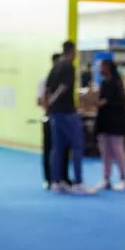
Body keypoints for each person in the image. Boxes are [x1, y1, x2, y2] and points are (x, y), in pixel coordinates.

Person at [45, 41, 89, 194]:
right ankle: (78, 182)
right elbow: (63, 87)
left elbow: (48, 87)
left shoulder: (55, 66)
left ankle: (56, 181)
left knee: (57, 148)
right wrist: (53, 100)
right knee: (77, 146)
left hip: (55, 113)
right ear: (72, 51)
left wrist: (49, 104)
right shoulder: (69, 66)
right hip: (67, 112)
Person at [38, 53, 73, 190]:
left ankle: (63, 177)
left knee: (64, 149)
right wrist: (49, 104)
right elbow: (40, 100)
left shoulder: (65, 82)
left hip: (63, 117)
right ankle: (48, 179)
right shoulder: (45, 81)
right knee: (49, 149)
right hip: (50, 117)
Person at [95, 59, 125, 191]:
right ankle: (106, 178)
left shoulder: (118, 84)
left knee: (118, 150)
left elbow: (121, 102)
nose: (100, 70)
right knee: (105, 151)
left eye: (102, 67)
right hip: (103, 121)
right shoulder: (103, 83)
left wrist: (106, 102)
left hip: (116, 122)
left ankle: (123, 178)